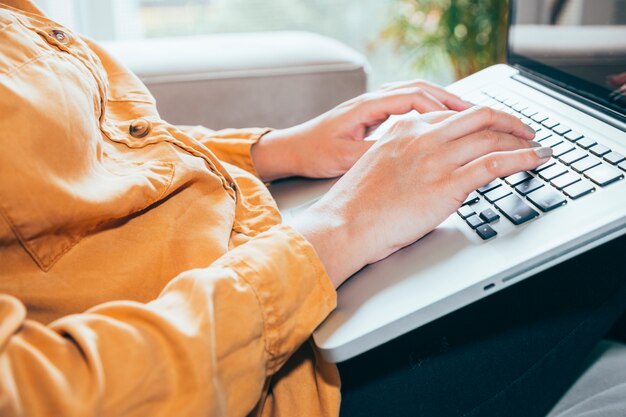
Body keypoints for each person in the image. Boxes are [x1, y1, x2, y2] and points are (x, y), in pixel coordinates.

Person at [2, 1, 624, 416]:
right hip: (284, 379)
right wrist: (340, 229)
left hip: (268, 258)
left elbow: (93, 164)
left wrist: (278, 151)